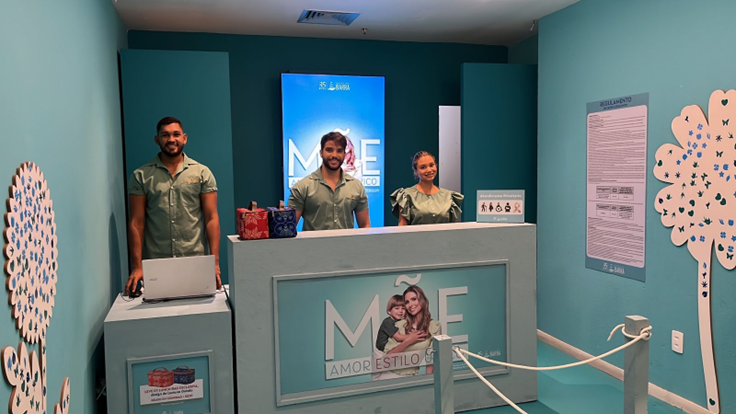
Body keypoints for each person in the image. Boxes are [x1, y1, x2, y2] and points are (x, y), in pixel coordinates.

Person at [125, 117, 221, 296]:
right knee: (158, 311)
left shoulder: (202, 173)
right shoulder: (141, 176)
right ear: (157, 140)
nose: (171, 139)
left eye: (176, 134)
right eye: (165, 135)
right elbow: (136, 223)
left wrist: (214, 263)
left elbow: (211, 219)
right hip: (156, 263)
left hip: (195, 261)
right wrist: (137, 266)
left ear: (185, 138)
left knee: (197, 311)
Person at [288, 131, 370, 230]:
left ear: (344, 154)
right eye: (329, 150)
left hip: (347, 241)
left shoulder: (357, 186)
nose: (334, 155)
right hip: (314, 241)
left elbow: (365, 225)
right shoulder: (302, 187)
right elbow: (288, 228)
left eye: (339, 151)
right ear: (321, 153)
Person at [390, 151, 464, 225]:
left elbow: (452, 227)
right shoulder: (406, 196)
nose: (429, 170)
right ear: (416, 171)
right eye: (423, 167)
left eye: (431, 165)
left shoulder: (448, 196)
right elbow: (402, 226)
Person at [382, 285, 441, 376]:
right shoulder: (400, 325)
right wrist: (409, 340)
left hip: (411, 376)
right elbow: (386, 359)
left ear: (422, 300)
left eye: (414, 299)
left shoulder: (434, 327)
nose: (410, 305)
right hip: (389, 375)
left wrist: (428, 379)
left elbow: (431, 358)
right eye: (407, 302)